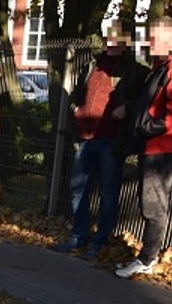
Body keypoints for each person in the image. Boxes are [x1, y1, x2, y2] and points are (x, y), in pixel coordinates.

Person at [53, 24, 149, 260]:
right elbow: (77, 92)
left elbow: (144, 100)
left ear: (126, 43)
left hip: (111, 141)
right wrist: (77, 109)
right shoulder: (92, 65)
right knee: (78, 190)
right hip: (86, 138)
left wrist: (127, 108)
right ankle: (78, 237)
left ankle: (99, 241)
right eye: (110, 39)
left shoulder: (135, 70)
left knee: (108, 193)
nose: (114, 44)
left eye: (119, 40)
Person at [115, 17, 172, 279]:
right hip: (152, 143)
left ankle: (147, 258)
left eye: (153, 37)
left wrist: (147, 128)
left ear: (169, 37)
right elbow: (149, 102)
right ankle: (146, 256)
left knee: (153, 203)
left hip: (163, 145)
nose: (149, 42)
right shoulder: (161, 65)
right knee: (149, 201)